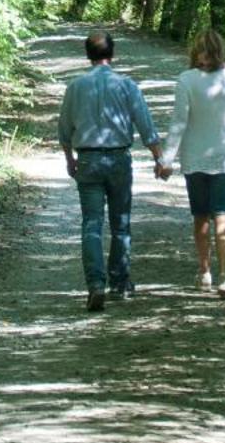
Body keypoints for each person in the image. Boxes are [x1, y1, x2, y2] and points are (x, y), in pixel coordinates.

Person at [58, 28, 163, 312]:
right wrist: (158, 158)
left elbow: (64, 130)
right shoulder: (127, 85)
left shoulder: (75, 86)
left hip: (88, 161)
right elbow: (145, 125)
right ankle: (120, 281)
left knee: (91, 224)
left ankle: (95, 284)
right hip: (118, 159)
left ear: (87, 55)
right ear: (112, 54)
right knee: (121, 223)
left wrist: (70, 159)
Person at [162, 27, 225, 299]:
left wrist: (166, 159)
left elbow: (179, 122)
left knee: (202, 216)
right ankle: (223, 276)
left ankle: (205, 272)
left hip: (196, 158)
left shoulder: (187, 80)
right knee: (221, 214)